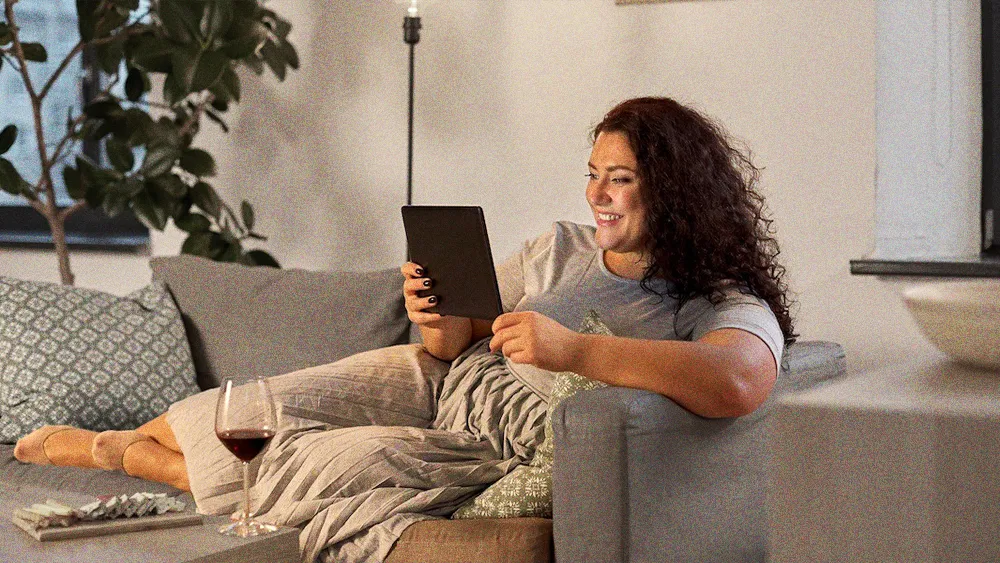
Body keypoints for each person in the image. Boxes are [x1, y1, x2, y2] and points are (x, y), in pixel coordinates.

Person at [13, 96, 795, 562]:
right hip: (441, 379)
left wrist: (576, 350)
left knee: (315, 464)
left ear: (677, 189)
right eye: (591, 173)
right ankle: (111, 441)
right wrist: (438, 316)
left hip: (485, 432)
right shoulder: (561, 247)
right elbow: (451, 344)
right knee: (254, 405)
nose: (597, 193)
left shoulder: (711, 296)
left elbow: (739, 380)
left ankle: (125, 455)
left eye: (618, 178)